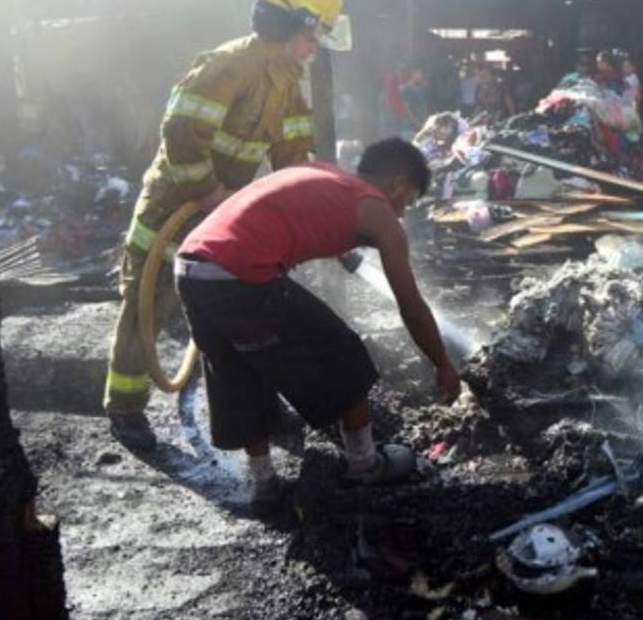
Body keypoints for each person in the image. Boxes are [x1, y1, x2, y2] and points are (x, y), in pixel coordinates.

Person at [104, 0, 351, 452]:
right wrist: (211, 195)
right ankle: (125, 408)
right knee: (146, 305)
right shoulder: (229, 65)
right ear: (293, 24)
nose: (315, 46)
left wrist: (312, 216)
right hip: (172, 207)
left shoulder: (286, 82)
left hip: (222, 215)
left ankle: (258, 404)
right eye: (314, 33)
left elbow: (293, 155)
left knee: (236, 311)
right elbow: (180, 135)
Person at [173, 138, 461, 505]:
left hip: (191, 269)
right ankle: (365, 465)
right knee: (343, 353)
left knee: (238, 372)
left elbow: (294, 210)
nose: (403, 213)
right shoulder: (376, 209)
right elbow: (412, 307)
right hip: (240, 272)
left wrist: (345, 253)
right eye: (408, 202)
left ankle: (264, 485)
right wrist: (442, 364)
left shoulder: (327, 176)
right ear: (398, 185)